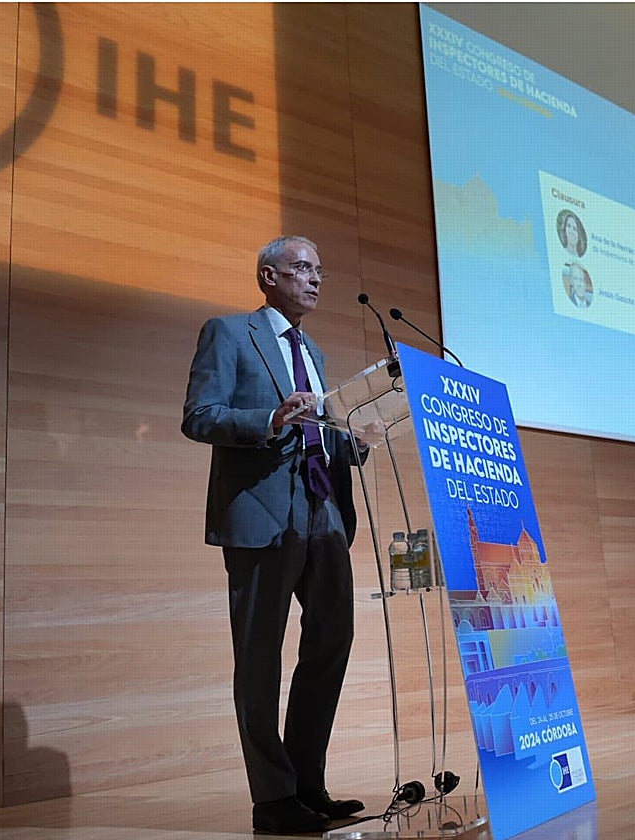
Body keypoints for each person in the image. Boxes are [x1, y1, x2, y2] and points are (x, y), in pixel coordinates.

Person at [182, 235, 366, 835]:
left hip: (324, 510)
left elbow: (317, 428)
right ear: (268, 276)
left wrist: (350, 442)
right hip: (262, 514)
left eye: (320, 270)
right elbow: (199, 416)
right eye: (302, 268)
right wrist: (269, 419)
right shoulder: (229, 333)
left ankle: (306, 785)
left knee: (331, 642)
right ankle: (272, 798)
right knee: (260, 659)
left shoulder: (313, 349)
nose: (315, 279)